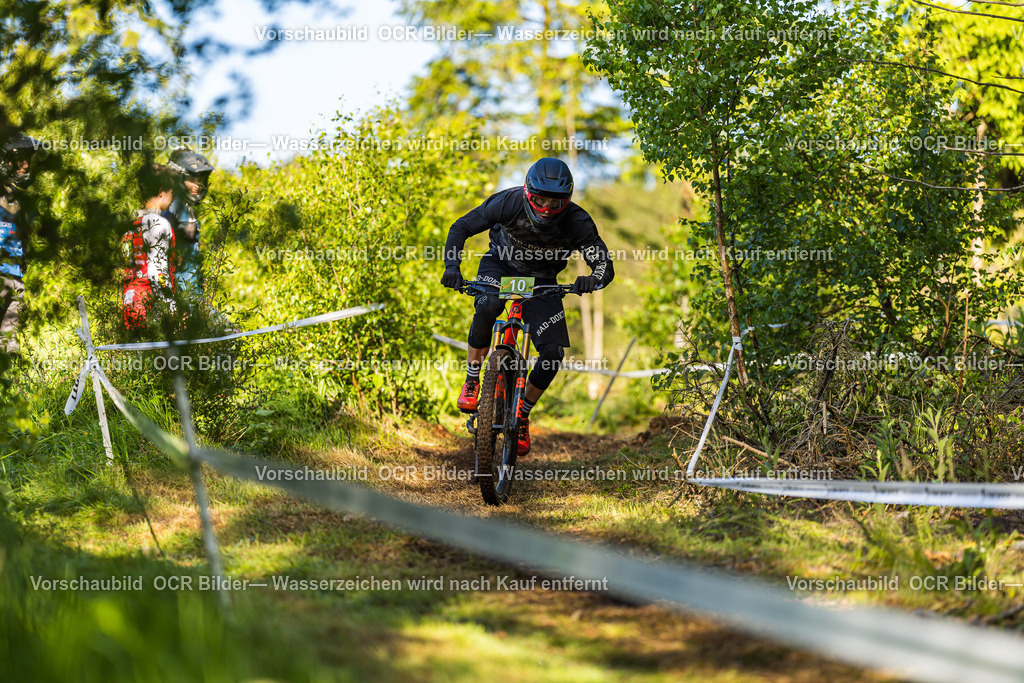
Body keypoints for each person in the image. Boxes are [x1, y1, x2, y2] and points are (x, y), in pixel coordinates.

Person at [440, 157, 614, 455]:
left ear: (567, 200)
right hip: (500, 266)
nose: (546, 209)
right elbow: (461, 227)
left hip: (542, 281)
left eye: (556, 204)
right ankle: (472, 379)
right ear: (526, 193)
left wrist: (592, 279)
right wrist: (452, 267)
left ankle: (522, 413)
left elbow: (603, 264)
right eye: (540, 200)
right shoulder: (507, 203)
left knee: (552, 353)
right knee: (488, 305)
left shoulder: (578, 221)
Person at [122, 164, 176, 330]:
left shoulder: (131, 225)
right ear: (161, 192)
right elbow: (157, 271)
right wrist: (171, 310)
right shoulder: (159, 223)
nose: (173, 198)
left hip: (130, 302)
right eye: (172, 192)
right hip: (150, 307)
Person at [0, 133, 37, 354]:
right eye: (20, 159)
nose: (26, 165)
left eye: (28, 159)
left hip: (14, 279)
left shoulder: (17, 198)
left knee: (8, 349)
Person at [163, 148, 214, 297]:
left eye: (200, 180)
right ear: (178, 178)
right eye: (191, 180)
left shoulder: (187, 207)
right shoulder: (173, 206)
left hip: (193, 294)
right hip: (180, 296)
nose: (197, 185)